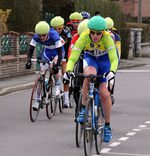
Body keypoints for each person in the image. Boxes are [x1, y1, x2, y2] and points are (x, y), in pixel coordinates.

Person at [63, 16, 119, 142]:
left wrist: (112, 72)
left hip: (105, 63)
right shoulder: (83, 37)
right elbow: (73, 58)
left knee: (105, 94)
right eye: (92, 32)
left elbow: (114, 59)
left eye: (98, 33)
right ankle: (83, 108)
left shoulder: (108, 38)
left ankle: (108, 126)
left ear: (103, 32)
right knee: (88, 77)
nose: (94, 35)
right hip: (91, 59)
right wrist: (69, 71)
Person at [26, 21, 65, 110]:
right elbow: (31, 49)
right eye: (40, 35)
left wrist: (57, 64)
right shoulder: (36, 36)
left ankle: (57, 84)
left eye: (44, 35)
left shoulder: (54, 34)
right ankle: (38, 100)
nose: (42, 37)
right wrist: (28, 60)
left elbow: (59, 52)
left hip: (57, 52)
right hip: (47, 52)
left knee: (52, 67)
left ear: (47, 33)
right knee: (41, 72)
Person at [67, 19, 89, 120]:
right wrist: (68, 70)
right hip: (80, 60)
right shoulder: (76, 37)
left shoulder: (96, 37)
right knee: (76, 85)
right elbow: (71, 53)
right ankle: (78, 108)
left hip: (92, 61)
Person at [50, 16, 72, 108]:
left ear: (62, 26)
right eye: (55, 29)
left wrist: (69, 57)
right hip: (54, 51)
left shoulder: (66, 31)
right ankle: (54, 82)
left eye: (59, 28)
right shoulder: (51, 32)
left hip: (64, 52)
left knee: (64, 73)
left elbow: (70, 43)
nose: (58, 30)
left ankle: (66, 98)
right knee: (51, 67)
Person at [105, 17, 121, 105]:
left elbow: (118, 50)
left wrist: (116, 62)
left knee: (111, 75)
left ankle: (110, 93)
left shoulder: (115, 36)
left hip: (111, 56)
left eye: (109, 29)